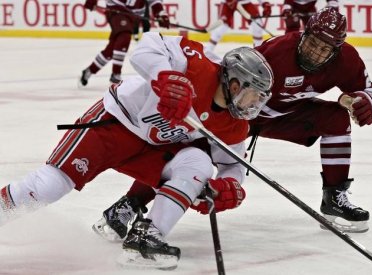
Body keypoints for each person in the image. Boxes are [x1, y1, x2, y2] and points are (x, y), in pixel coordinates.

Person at [92, 7, 372, 236]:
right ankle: (128, 205)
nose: (316, 52)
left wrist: (367, 103)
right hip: (242, 114)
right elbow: (231, 88)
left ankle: (334, 196)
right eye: (313, 43)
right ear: (304, 36)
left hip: (288, 115)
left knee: (336, 119)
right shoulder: (276, 54)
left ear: (336, 50)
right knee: (195, 156)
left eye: (325, 48)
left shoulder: (347, 60)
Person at [0, 32, 274, 270]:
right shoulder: (195, 65)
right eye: (255, 95)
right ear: (235, 84)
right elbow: (147, 46)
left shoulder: (235, 125)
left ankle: (146, 236)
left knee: (199, 163)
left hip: (152, 149)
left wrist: (227, 186)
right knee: (50, 185)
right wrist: (165, 78)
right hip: (116, 123)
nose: (255, 104)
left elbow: (233, 164)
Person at [78, 0, 170, 87]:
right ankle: (116, 75)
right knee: (124, 37)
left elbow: (154, 1)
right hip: (116, 8)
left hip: (133, 16)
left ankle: (90, 70)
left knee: (111, 49)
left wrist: (161, 14)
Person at [205, 0, 272, 52]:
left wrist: (265, 3)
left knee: (257, 25)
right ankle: (207, 51)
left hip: (245, 2)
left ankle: (258, 51)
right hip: (228, 2)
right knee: (223, 26)